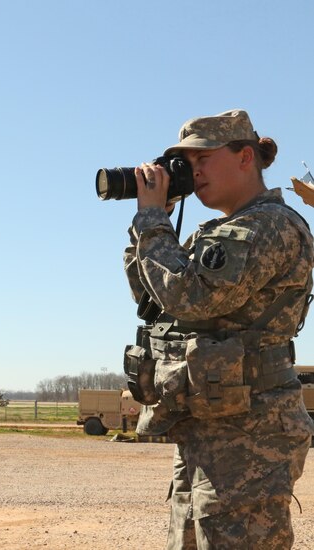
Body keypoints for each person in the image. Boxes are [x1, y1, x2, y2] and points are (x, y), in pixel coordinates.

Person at [123, 109, 314, 549]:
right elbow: (152, 300)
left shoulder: (269, 226)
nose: (194, 172)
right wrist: (154, 223)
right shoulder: (217, 231)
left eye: (202, 159)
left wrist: (153, 223)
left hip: (252, 431)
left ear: (245, 157)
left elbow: (193, 297)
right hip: (209, 423)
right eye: (187, 165)